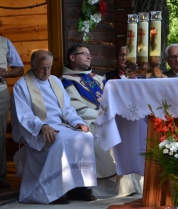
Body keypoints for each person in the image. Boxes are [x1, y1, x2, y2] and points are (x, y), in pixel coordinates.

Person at [10, 50, 96, 204]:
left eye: (49, 67)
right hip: (35, 130)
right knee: (60, 140)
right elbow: (24, 115)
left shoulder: (55, 81)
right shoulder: (21, 86)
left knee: (86, 136)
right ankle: (54, 192)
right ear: (33, 66)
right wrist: (42, 126)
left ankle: (79, 188)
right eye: (43, 68)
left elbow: (67, 108)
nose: (47, 71)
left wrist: (78, 122)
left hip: (60, 125)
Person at [60, 44, 138, 197]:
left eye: (89, 54)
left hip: (107, 118)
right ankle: (107, 188)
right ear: (72, 57)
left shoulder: (97, 78)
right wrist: (102, 117)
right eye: (84, 54)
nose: (89, 57)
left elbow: (112, 100)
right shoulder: (65, 81)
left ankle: (132, 184)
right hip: (90, 122)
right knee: (104, 137)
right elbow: (75, 108)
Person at [0, 36, 24, 189]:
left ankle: (0, 177)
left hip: (0, 93)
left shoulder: (4, 42)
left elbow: (19, 68)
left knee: (0, 134)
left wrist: (5, 74)